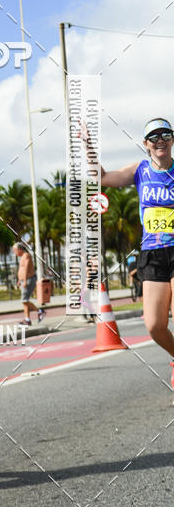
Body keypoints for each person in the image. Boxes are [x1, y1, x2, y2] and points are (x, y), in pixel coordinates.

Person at [87, 118, 174, 386]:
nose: (160, 140)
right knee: (154, 326)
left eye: (166, 135)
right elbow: (102, 178)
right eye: (154, 136)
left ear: (172, 140)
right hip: (152, 254)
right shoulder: (140, 170)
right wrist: (87, 146)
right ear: (146, 144)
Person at [13, 242, 45, 324]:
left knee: (24, 300)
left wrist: (25, 280)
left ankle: (40, 311)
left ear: (20, 249)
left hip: (28, 279)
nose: (14, 252)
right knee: (25, 301)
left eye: (15, 250)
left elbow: (26, 268)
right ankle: (27, 319)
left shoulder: (26, 255)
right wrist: (20, 280)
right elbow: (22, 270)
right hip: (25, 280)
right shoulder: (23, 256)